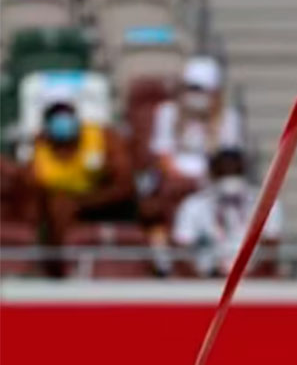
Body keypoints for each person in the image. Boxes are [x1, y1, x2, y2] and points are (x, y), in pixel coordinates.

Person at [28, 101, 135, 246]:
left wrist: (81, 203)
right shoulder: (41, 147)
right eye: (57, 120)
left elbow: (125, 186)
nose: (63, 125)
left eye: (67, 118)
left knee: (63, 206)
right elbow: (33, 189)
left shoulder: (102, 138)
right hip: (64, 208)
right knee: (57, 207)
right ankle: (58, 261)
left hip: (106, 202)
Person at [173, 148, 282, 278]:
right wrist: (200, 280)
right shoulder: (193, 205)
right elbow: (182, 246)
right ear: (213, 173)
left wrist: (250, 278)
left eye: (235, 172)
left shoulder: (266, 204)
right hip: (207, 277)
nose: (230, 178)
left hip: (253, 278)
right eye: (223, 172)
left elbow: (271, 244)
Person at [151, 56, 245, 188]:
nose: (194, 95)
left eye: (199, 89)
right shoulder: (168, 112)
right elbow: (163, 156)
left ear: (215, 92)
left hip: (213, 181)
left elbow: (227, 159)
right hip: (175, 182)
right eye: (191, 88)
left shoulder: (229, 118)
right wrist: (183, 181)